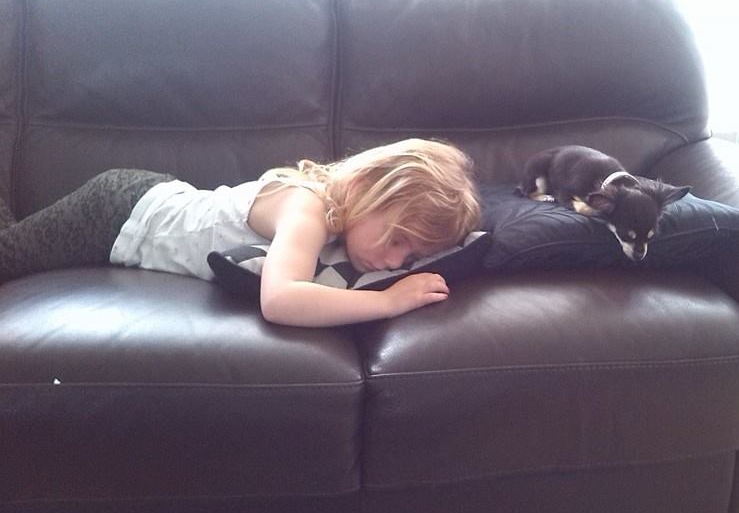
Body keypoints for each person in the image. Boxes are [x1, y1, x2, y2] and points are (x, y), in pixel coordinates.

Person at [0, 138, 481, 327]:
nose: (395, 262)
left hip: (152, 199)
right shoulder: (308, 206)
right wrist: (388, 301)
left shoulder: (341, 216)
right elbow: (281, 300)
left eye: (411, 257)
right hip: (117, 213)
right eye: (396, 239)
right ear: (363, 187)